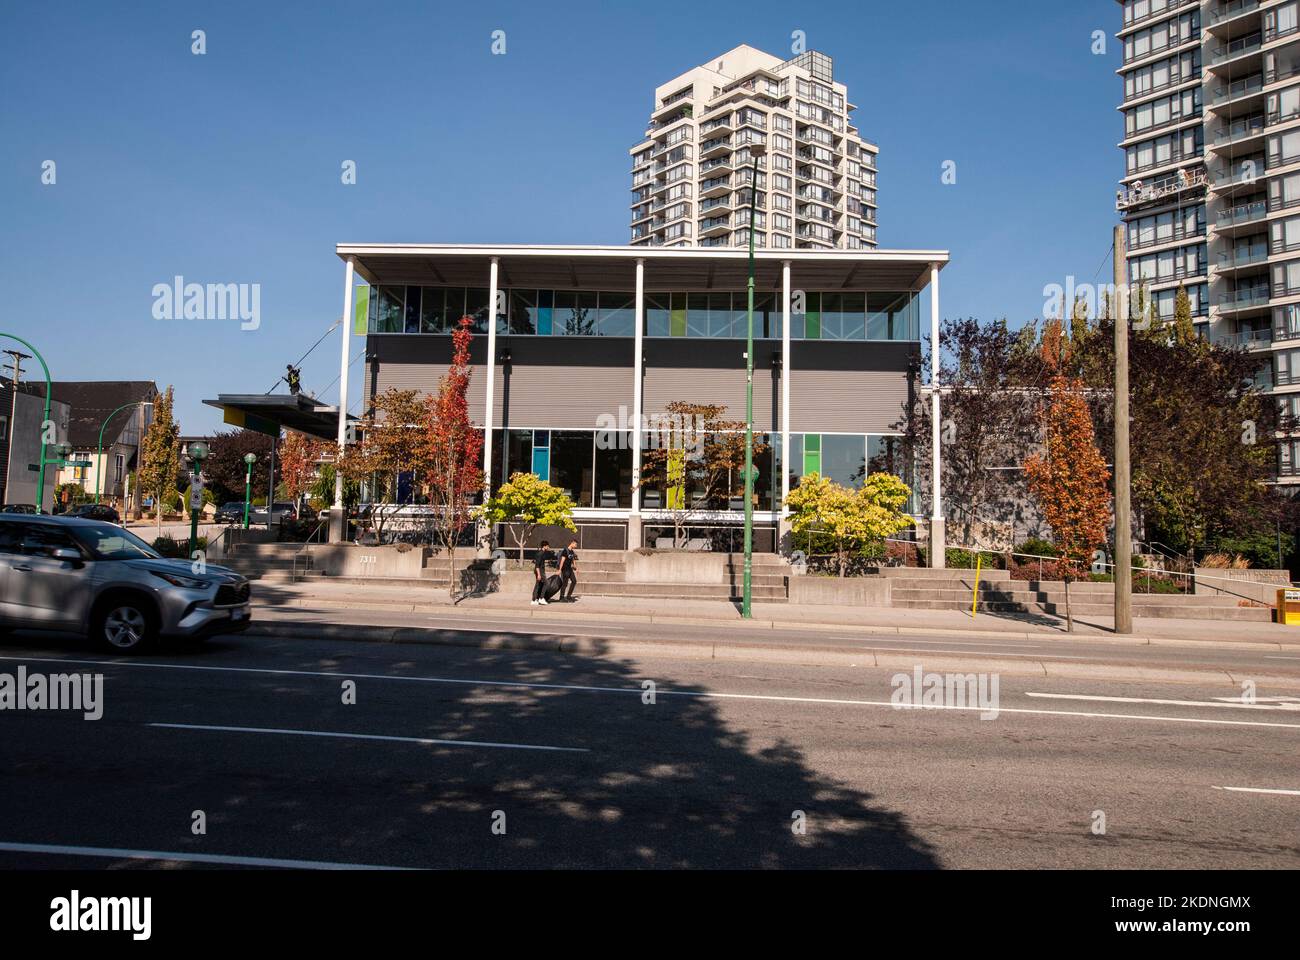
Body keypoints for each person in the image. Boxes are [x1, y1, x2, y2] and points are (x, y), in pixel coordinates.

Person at [531, 540, 556, 606]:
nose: (548, 547)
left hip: (541, 571)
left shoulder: (543, 553)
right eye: (547, 546)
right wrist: (539, 574)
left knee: (538, 585)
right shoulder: (540, 554)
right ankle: (541, 598)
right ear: (544, 546)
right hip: (540, 571)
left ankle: (534, 600)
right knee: (546, 583)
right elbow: (537, 566)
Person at [558, 537, 580, 602]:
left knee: (574, 581)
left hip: (570, 569)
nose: (576, 546)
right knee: (565, 584)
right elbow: (562, 560)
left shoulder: (572, 551)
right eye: (575, 545)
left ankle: (568, 596)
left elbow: (573, 559)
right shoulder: (565, 551)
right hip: (565, 569)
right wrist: (560, 569)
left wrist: (575, 567)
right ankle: (561, 597)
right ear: (572, 543)